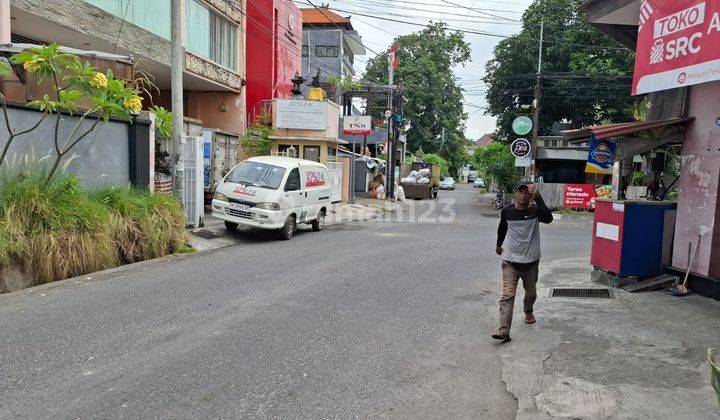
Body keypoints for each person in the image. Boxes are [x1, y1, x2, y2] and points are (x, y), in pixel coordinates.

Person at [492, 179, 553, 341]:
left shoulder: (535, 210)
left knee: (531, 293)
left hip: (531, 263)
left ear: (531, 194)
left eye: (527, 191)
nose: (523, 194)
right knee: (507, 295)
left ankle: (528, 310)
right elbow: (502, 227)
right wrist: (498, 245)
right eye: (521, 190)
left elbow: (549, 219)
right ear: (516, 191)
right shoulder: (507, 211)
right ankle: (504, 329)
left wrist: (539, 198)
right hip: (510, 262)